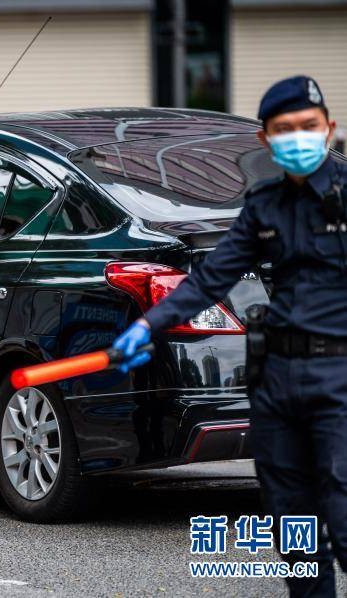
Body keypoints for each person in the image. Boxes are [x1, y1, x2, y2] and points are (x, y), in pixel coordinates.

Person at [113, 76, 346, 597]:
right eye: (284, 130)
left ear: (328, 128)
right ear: (265, 140)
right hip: (280, 383)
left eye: (309, 127)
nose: (298, 138)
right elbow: (210, 278)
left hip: (340, 377)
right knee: (296, 533)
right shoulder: (265, 204)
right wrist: (148, 325)